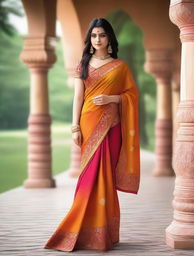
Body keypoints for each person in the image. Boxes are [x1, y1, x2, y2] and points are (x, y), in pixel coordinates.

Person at [44, 17, 140, 252]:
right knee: (89, 177)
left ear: (109, 38)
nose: (98, 39)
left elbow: (131, 96)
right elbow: (78, 97)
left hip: (113, 126)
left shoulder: (120, 66)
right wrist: (74, 127)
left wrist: (112, 99)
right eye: (94, 35)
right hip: (89, 124)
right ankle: (75, 228)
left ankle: (102, 233)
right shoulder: (83, 64)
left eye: (102, 35)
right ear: (90, 38)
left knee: (105, 177)